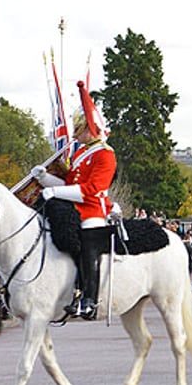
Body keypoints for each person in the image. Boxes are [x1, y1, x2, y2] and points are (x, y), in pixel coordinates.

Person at [34, 81, 115, 320]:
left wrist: (55, 193)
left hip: (93, 211)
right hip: (74, 208)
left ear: (90, 129)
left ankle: (89, 298)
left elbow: (92, 189)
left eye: (79, 130)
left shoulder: (105, 154)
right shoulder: (80, 154)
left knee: (88, 243)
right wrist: (44, 178)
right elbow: (67, 185)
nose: (76, 135)